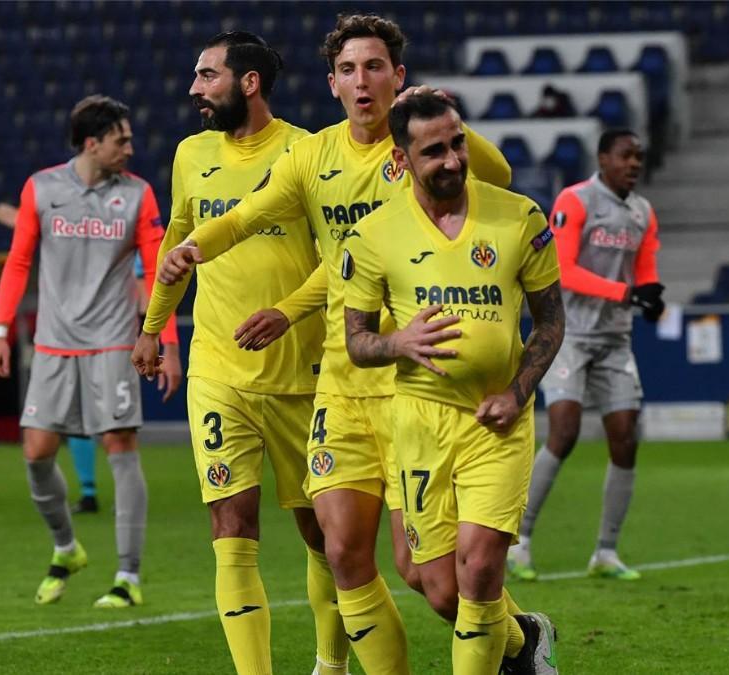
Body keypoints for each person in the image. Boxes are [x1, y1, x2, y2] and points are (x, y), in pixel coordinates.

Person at [145, 14, 512, 673]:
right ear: (332, 83)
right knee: (342, 553)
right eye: (348, 69)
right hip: (340, 378)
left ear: (398, 77)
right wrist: (192, 250)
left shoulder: (421, 151)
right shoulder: (312, 157)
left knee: (429, 576)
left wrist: (443, 120)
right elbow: (245, 216)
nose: (361, 80)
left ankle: (517, 639)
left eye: (375, 67)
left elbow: (501, 176)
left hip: (414, 383)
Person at [131, 31, 346, 675]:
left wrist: (288, 313)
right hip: (218, 371)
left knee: (322, 533)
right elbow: (179, 238)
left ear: (247, 82)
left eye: (207, 76)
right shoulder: (191, 154)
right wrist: (153, 326)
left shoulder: (307, 152)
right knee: (232, 527)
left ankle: (330, 665)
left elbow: (343, 260)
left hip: (303, 373)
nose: (194, 90)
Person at [343, 91, 564, 675]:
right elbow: (357, 341)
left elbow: (551, 320)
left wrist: (517, 394)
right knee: (439, 588)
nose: (451, 160)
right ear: (403, 159)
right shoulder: (374, 235)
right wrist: (397, 343)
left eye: (457, 143)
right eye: (434, 150)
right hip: (418, 424)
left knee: (482, 571)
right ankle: (524, 641)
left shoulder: (519, 217)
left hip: (497, 423)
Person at [0, 95, 182, 608]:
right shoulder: (42, 188)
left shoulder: (138, 195)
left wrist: (167, 342)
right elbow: (18, 261)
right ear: (92, 143)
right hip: (52, 345)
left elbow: (159, 270)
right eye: (122, 139)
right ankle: (66, 547)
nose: (131, 148)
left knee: (120, 448)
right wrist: (2, 331)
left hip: (112, 343)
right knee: (35, 454)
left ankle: (128, 577)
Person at [509, 129, 664, 582]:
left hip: (615, 338)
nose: (634, 163)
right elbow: (564, 268)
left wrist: (651, 295)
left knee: (625, 437)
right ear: (603, 158)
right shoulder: (575, 201)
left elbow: (647, 268)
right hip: (569, 334)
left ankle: (606, 552)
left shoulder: (642, 212)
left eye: (639, 156)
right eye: (625, 155)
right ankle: (520, 541)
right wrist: (626, 292)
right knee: (565, 430)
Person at [0, 176, 154, 516]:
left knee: (113, 430)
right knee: (73, 418)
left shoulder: (124, 230)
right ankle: (89, 492)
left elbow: (143, 285)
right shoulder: (65, 222)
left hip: (112, 340)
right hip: (68, 338)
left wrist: (149, 334)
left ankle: (125, 510)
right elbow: (18, 219)